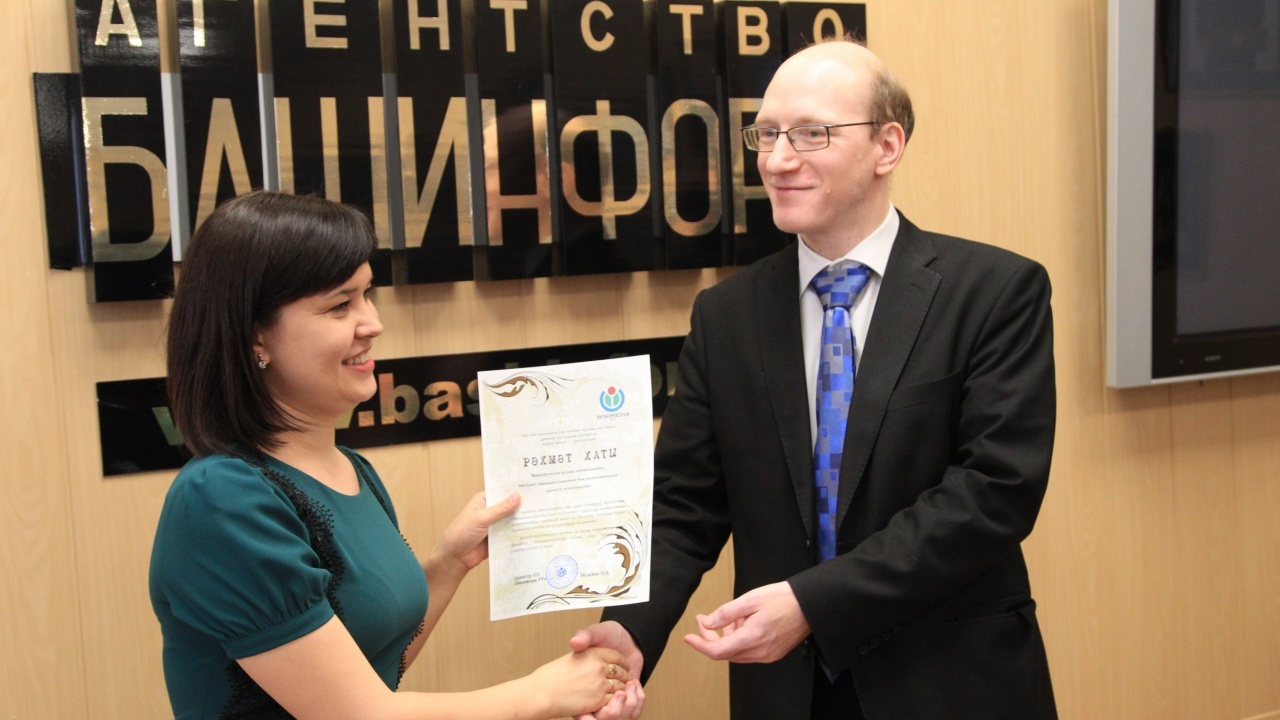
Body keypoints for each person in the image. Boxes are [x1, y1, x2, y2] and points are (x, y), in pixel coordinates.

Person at [571, 38, 1057, 720]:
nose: (777, 160)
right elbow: (685, 506)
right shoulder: (727, 315)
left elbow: (993, 494)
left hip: (949, 681)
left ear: (887, 146)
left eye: (811, 133)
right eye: (766, 134)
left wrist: (812, 604)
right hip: (787, 693)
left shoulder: (995, 292)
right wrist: (631, 629)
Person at [150, 191, 643, 719]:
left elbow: (373, 664)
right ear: (256, 337)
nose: (372, 323)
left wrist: (449, 563)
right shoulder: (223, 499)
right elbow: (359, 713)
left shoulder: (351, 469)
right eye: (340, 305)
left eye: (367, 295)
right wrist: (544, 693)